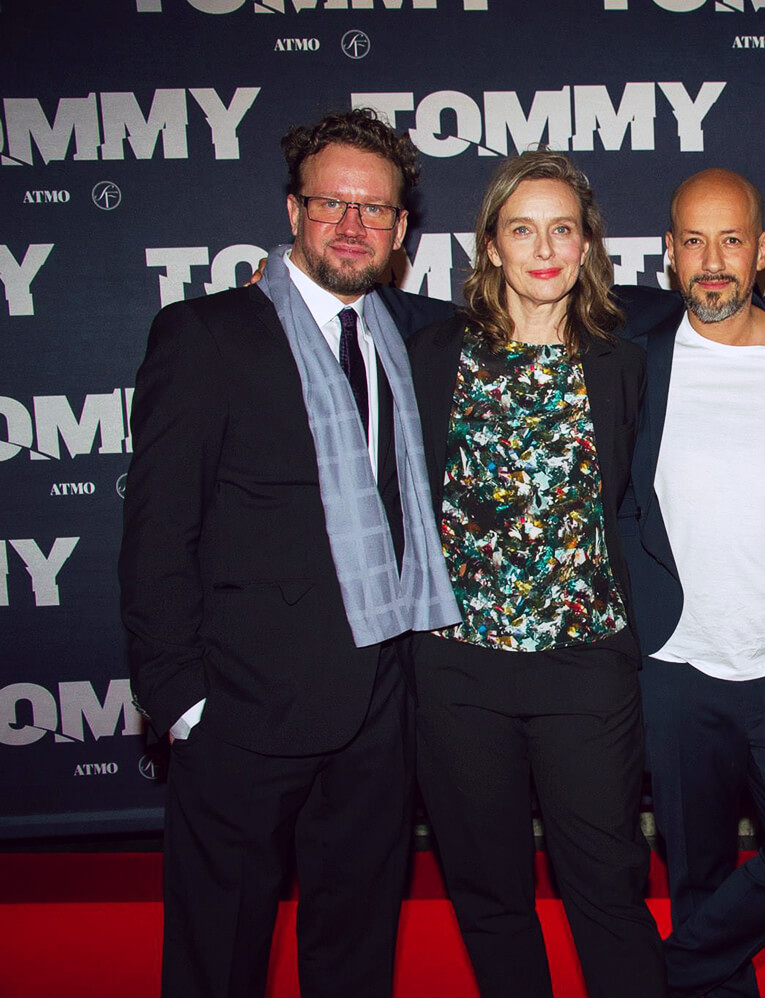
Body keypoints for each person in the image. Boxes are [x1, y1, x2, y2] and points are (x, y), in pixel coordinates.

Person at [118, 108, 458, 998]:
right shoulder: (206, 335)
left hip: (382, 705)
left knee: (355, 946)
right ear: (292, 211)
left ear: (401, 229)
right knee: (219, 951)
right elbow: (158, 531)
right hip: (243, 707)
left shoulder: (417, 335)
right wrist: (181, 702)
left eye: (374, 210)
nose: (353, 225)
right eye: (331, 204)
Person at [405, 151, 665, 998]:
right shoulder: (429, 356)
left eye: (564, 229)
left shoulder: (623, 363)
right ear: (490, 246)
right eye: (523, 229)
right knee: (490, 896)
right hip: (458, 668)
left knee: (609, 892)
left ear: (589, 245)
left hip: (585, 664)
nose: (545, 248)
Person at [615, 167, 765, 998]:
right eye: (693, 240)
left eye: (730, 240)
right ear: (668, 253)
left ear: (763, 250)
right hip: (678, 664)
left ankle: (663, 973)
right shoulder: (633, 359)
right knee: (698, 877)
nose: (712, 261)